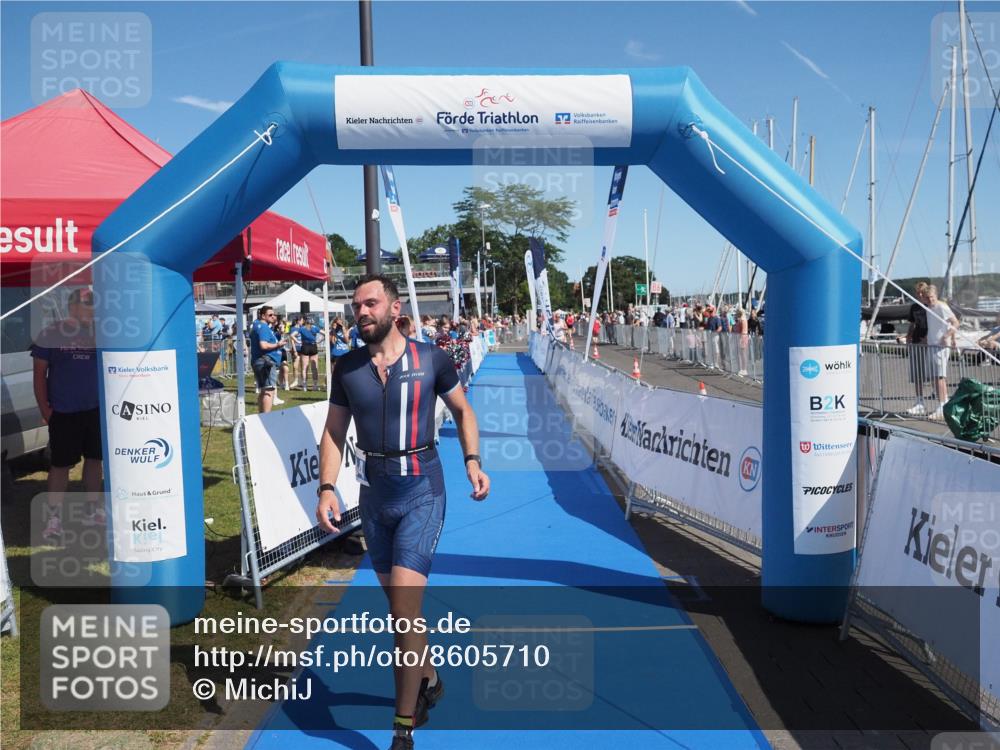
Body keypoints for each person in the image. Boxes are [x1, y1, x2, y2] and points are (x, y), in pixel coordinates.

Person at [316, 275, 489, 750]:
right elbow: (333, 432)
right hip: (375, 498)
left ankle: (403, 727)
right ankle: (429, 678)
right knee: (403, 613)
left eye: (370, 303)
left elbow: (463, 412)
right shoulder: (347, 367)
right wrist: (326, 487)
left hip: (422, 492)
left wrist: (472, 461)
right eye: (356, 306)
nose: (361, 312)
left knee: (401, 612)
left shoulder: (431, 358)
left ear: (394, 308)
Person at [31, 288, 105, 541]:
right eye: (87, 304)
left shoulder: (101, 333)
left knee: (95, 460)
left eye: (94, 304)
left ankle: (92, 510)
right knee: (61, 465)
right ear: (72, 307)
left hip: (95, 410)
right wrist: (46, 410)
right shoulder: (51, 333)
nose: (92, 309)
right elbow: (39, 374)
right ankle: (54, 519)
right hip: (63, 412)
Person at [924, 285, 960, 421]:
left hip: (941, 346)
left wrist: (947, 336)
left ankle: (943, 405)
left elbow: (955, 323)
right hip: (931, 344)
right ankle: (943, 403)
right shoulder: (928, 308)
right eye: (928, 298)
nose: (930, 300)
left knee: (939, 376)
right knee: (935, 377)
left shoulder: (942, 307)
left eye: (932, 297)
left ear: (936, 296)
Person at [250, 306, 285, 413]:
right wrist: (278, 345)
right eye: (270, 315)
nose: (273, 317)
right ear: (263, 315)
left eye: (274, 315)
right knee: (269, 391)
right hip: (265, 361)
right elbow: (264, 345)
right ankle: (266, 418)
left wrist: (278, 334)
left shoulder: (260, 326)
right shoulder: (263, 327)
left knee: (264, 390)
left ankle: (262, 417)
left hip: (262, 360)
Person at [903, 282, 931, 416]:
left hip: (929, 343)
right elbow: (912, 323)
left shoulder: (931, 306)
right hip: (916, 342)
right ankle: (919, 401)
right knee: (917, 374)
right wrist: (908, 336)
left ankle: (941, 400)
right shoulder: (914, 307)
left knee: (934, 374)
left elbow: (935, 324)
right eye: (918, 292)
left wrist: (927, 338)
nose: (919, 295)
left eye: (922, 292)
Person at [295, 315, 323, 391]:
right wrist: (320, 341)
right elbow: (325, 333)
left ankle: (304, 386)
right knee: (314, 368)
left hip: (305, 346)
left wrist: (297, 341)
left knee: (304, 368)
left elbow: (292, 335)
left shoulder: (302, 328)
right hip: (313, 346)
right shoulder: (315, 328)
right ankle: (315, 385)